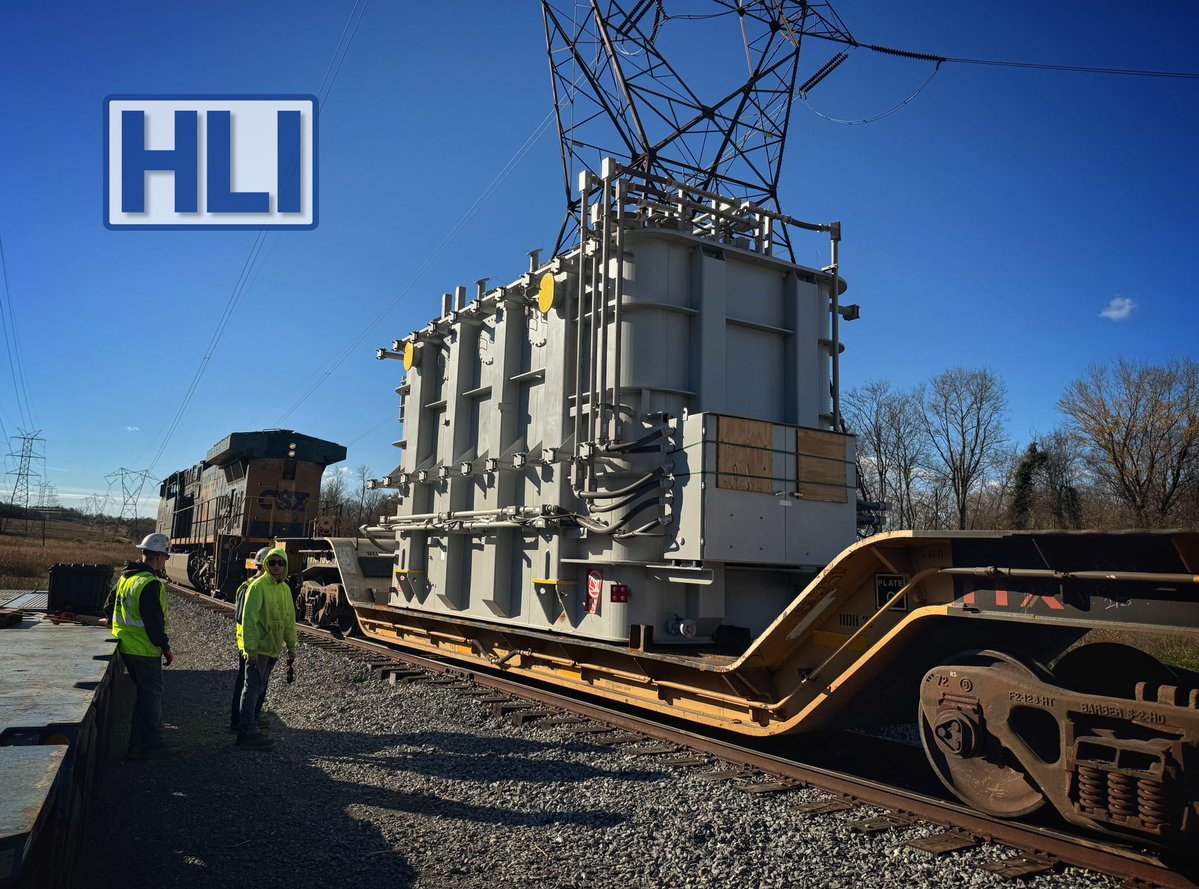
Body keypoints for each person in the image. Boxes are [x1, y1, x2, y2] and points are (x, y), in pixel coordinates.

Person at [109, 533, 179, 760]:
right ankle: (153, 745)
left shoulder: (126, 578)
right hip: (144, 649)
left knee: (144, 696)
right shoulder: (150, 583)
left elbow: (107, 607)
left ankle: (137, 746)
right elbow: (154, 623)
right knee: (151, 697)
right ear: (159, 557)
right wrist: (165, 647)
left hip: (125, 645)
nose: (164, 562)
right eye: (165, 557)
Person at [236, 545, 296, 750]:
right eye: (272, 562)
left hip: (272, 648)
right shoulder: (258, 586)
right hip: (258, 648)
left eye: (281, 563)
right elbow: (249, 620)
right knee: (251, 688)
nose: (277, 566)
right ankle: (247, 732)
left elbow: (289, 620)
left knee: (259, 687)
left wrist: (292, 647)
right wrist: (250, 650)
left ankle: (250, 725)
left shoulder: (285, 588)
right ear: (266, 564)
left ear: (286, 565)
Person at [230, 547, 271, 733]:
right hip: (250, 645)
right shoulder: (250, 587)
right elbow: (242, 618)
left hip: (256, 643)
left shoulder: (258, 586)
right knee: (249, 684)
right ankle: (242, 722)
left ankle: (247, 717)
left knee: (252, 683)